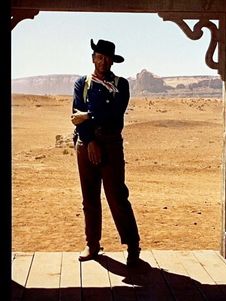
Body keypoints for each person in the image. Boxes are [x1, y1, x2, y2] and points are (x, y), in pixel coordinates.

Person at [71, 38, 141, 266]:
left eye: (107, 58)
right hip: (86, 144)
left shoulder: (121, 84)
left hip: (111, 145)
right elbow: (75, 116)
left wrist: (88, 115)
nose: (103, 61)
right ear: (93, 58)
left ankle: (132, 246)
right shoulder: (82, 83)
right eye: (99, 57)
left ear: (113, 61)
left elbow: (114, 113)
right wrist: (90, 141)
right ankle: (92, 243)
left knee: (117, 196)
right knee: (89, 197)